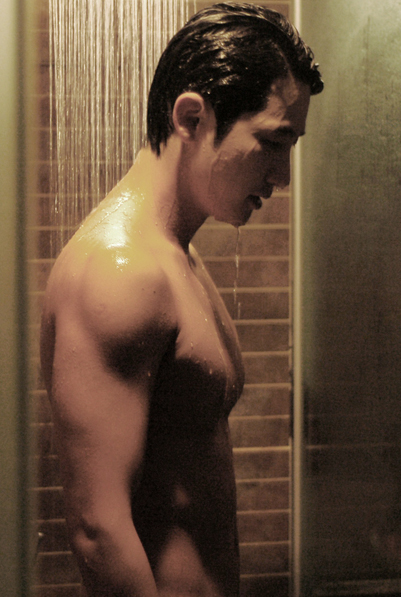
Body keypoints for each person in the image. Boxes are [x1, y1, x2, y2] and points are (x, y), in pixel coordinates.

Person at [40, 3, 323, 596]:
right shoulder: (120, 272)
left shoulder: (175, 257)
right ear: (191, 117)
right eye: (273, 142)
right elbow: (98, 530)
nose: (283, 175)